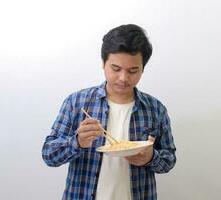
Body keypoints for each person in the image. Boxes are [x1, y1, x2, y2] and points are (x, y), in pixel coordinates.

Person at [42, 24, 176, 200]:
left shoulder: (155, 109)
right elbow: (49, 155)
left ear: (143, 68)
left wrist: (151, 157)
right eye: (116, 68)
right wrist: (77, 142)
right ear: (103, 63)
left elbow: (169, 160)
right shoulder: (77, 102)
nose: (123, 78)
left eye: (133, 71)